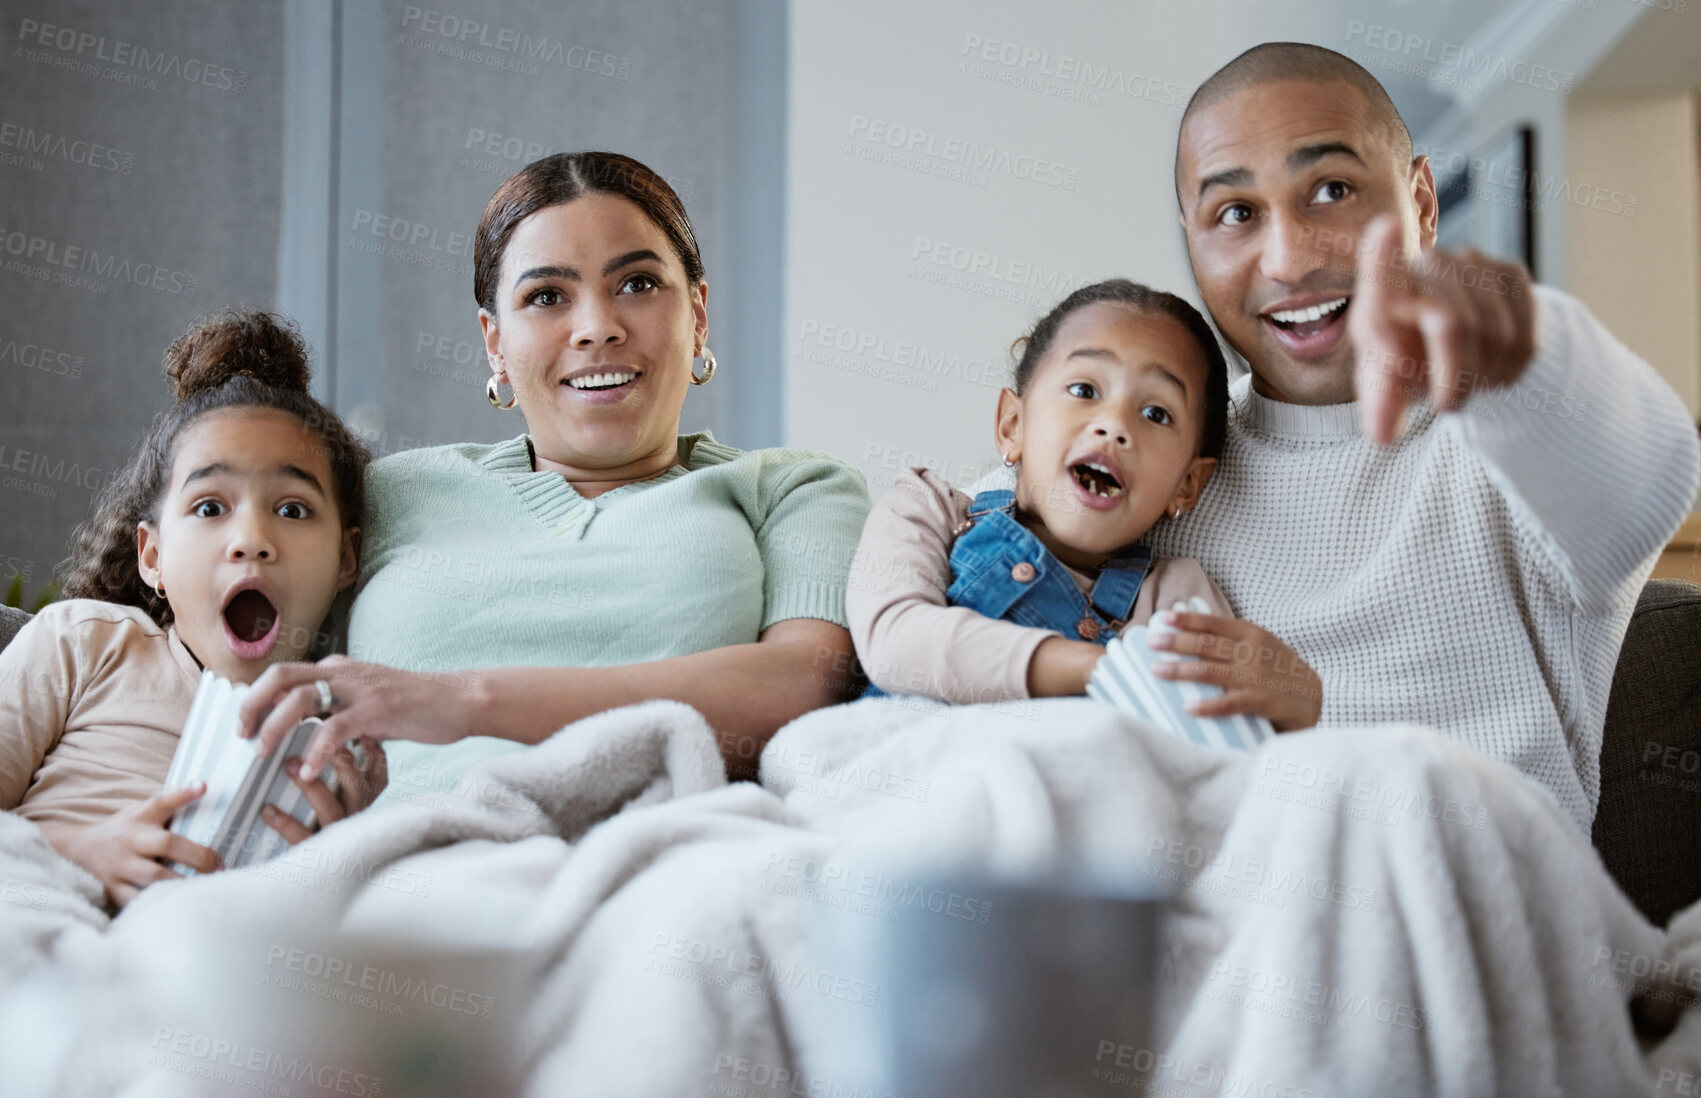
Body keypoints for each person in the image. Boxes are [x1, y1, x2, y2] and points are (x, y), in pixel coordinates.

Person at [1145, 42, 1701, 829]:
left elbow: (1649, 474)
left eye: (1330, 190)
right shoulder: (1161, 459)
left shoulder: (1509, 438)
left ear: (1423, 204)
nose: (1289, 259)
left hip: (1476, 920)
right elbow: (975, 553)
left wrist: (1530, 358)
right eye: (1235, 213)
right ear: (1192, 238)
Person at [237, 152, 870, 792]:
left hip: (661, 860)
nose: (597, 328)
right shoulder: (383, 495)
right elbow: (223, 635)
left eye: (638, 284)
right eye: (546, 297)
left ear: (698, 315)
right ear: (495, 342)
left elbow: (805, 682)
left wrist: (464, 701)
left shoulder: (794, 488)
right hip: (395, 865)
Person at [0, 309, 378, 908]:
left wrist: (344, 854)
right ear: (152, 555)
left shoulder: (342, 737)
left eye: (293, 509)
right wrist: (77, 851)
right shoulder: (86, 642)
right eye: (209, 507)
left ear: (344, 559)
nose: (250, 539)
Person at [847, 278, 1321, 732]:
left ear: (1187, 485)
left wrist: (1292, 713)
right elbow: (895, 641)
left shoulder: (1174, 597)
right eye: (1084, 391)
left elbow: (1210, 742)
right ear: (1013, 426)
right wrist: (1102, 668)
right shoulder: (927, 510)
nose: (1114, 425)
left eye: (1156, 413)